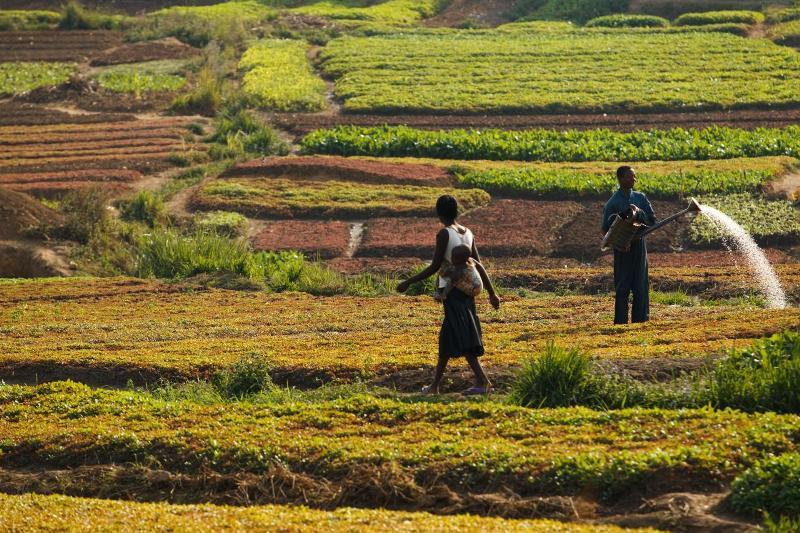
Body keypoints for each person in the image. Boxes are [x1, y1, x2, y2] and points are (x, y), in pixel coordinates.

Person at [397, 195, 500, 395]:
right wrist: (492, 293)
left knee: (463, 334)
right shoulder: (468, 233)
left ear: (439, 213)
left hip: (453, 293)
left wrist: (408, 282)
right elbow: (478, 265)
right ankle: (434, 386)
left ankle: (483, 381)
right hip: (468, 291)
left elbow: (435, 266)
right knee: (448, 337)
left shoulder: (444, 234)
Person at [602, 166, 656, 324]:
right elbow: (606, 228)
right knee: (622, 287)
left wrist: (639, 214)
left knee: (640, 286)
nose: (634, 179)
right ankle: (620, 322)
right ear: (620, 179)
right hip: (622, 250)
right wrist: (619, 242)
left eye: (634, 177)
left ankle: (641, 321)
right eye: (630, 177)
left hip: (639, 246)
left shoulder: (641, 198)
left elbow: (652, 220)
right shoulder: (613, 203)